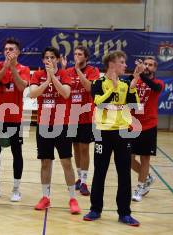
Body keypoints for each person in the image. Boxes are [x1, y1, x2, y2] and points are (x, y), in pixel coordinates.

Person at [83, 51, 140, 226]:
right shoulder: (98, 83)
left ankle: (124, 212)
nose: (125, 65)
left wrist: (133, 84)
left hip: (122, 132)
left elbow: (134, 105)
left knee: (124, 173)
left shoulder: (125, 84)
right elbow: (98, 102)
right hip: (103, 132)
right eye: (122, 62)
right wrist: (113, 88)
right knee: (100, 172)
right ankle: (95, 209)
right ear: (111, 65)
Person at [29, 47, 80, 214]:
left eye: (52, 57)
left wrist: (53, 77)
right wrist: (47, 79)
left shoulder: (65, 74)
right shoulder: (37, 75)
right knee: (45, 162)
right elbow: (33, 93)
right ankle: (45, 197)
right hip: (44, 124)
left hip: (62, 124)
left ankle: (72, 198)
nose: (49, 60)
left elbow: (65, 93)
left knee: (66, 162)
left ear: (57, 59)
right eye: (46, 57)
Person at [0, 38, 30, 202]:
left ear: (18, 52)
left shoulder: (24, 69)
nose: (8, 51)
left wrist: (13, 69)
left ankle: (16, 189)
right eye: (6, 49)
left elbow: (21, 87)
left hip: (15, 118)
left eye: (11, 49)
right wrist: (5, 67)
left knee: (16, 153)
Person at [63, 45, 100, 196]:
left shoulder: (93, 71)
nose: (76, 56)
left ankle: (84, 181)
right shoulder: (68, 72)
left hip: (86, 116)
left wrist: (78, 70)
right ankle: (79, 177)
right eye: (75, 53)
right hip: (71, 116)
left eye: (80, 54)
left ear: (86, 57)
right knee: (76, 148)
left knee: (84, 148)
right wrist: (63, 70)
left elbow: (90, 88)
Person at [130, 56, 164, 202]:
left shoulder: (158, 83)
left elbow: (154, 87)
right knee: (127, 158)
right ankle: (148, 177)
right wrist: (135, 75)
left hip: (149, 125)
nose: (148, 66)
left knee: (145, 158)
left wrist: (141, 74)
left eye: (151, 65)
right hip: (132, 124)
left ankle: (140, 187)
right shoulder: (135, 80)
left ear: (155, 68)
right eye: (146, 64)